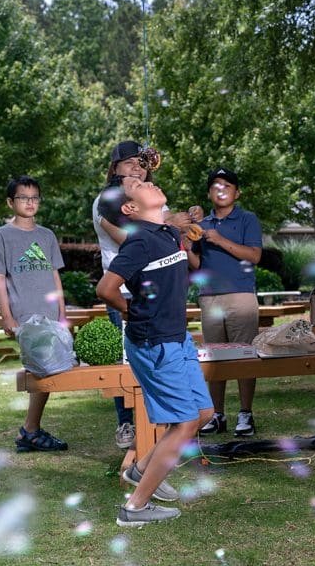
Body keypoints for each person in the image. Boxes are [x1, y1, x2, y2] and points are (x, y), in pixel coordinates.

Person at [96, 175, 213, 527]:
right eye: (139, 186)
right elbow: (106, 288)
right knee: (184, 422)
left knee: (203, 414)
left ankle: (141, 470)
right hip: (154, 342)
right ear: (131, 208)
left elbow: (185, 249)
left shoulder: (163, 233)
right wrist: (132, 312)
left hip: (177, 338)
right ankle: (135, 508)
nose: (147, 182)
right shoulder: (139, 242)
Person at [93, 140, 197, 449]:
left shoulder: (148, 194)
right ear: (114, 169)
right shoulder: (107, 198)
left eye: (141, 162)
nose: (137, 166)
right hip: (124, 290)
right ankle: (129, 425)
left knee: (162, 364)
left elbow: (166, 238)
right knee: (131, 365)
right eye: (129, 163)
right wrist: (171, 225)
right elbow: (133, 239)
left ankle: (167, 429)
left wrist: (186, 223)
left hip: (161, 293)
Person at [185, 168, 262, 437]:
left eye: (227, 186)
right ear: (209, 193)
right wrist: (186, 243)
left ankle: (245, 413)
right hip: (209, 297)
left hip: (240, 296)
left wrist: (220, 240)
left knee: (244, 356)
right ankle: (217, 414)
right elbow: (196, 266)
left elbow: (254, 256)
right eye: (216, 186)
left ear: (236, 192)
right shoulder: (201, 224)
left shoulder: (247, 219)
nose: (221, 190)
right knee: (214, 358)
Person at [0, 176, 69, 453]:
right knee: (42, 370)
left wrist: (62, 312)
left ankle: (30, 431)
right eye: (23, 197)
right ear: (10, 202)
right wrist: (7, 316)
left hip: (50, 315)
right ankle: (30, 431)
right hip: (24, 316)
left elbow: (55, 275)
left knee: (45, 371)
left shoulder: (47, 235)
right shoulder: (2, 235)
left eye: (34, 197)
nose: (30, 202)